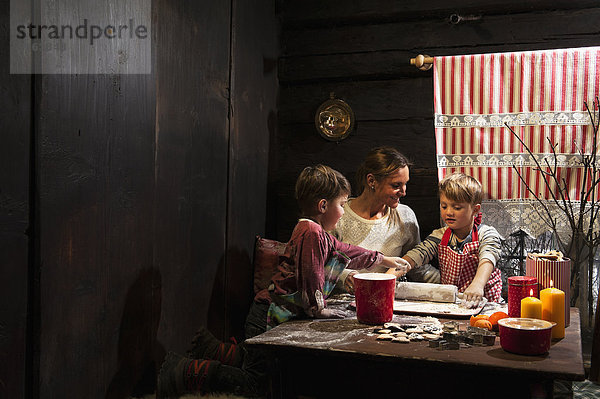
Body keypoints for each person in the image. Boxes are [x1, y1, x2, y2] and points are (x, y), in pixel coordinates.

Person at [156, 164, 408, 398]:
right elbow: (311, 285)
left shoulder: (316, 231)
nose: (343, 212)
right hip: (269, 315)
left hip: (268, 311)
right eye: (342, 204)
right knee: (259, 383)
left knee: (255, 361)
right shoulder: (310, 233)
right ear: (323, 205)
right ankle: (182, 371)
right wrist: (324, 311)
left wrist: (383, 259)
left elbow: (346, 250)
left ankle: (210, 349)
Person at [332, 146, 440, 294]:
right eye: (396, 185)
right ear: (372, 181)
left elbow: (414, 266)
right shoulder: (339, 216)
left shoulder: (405, 217)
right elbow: (320, 263)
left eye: (405, 184)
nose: (404, 192)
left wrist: (451, 283)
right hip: (341, 304)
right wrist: (346, 277)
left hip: (386, 299)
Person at [390, 172, 502, 307]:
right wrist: (386, 279)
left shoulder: (486, 234)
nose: (449, 212)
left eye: (457, 207)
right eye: (444, 206)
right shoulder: (439, 236)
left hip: (485, 304)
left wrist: (477, 284)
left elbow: (488, 258)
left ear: (475, 209)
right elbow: (416, 256)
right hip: (454, 305)